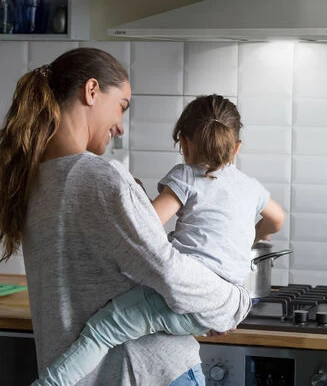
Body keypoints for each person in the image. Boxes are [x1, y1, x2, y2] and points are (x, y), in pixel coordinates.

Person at [0, 48, 252, 386]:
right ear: (91, 91)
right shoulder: (99, 178)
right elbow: (169, 273)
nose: (120, 127)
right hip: (149, 373)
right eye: (121, 106)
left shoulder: (34, 181)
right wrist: (233, 303)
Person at [32, 94, 286, 386]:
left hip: (185, 295)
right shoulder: (251, 186)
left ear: (184, 144)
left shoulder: (186, 176)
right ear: (236, 147)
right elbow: (277, 219)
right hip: (216, 309)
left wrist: (135, 194)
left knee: (103, 331)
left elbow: (146, 227)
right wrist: (254, 235)